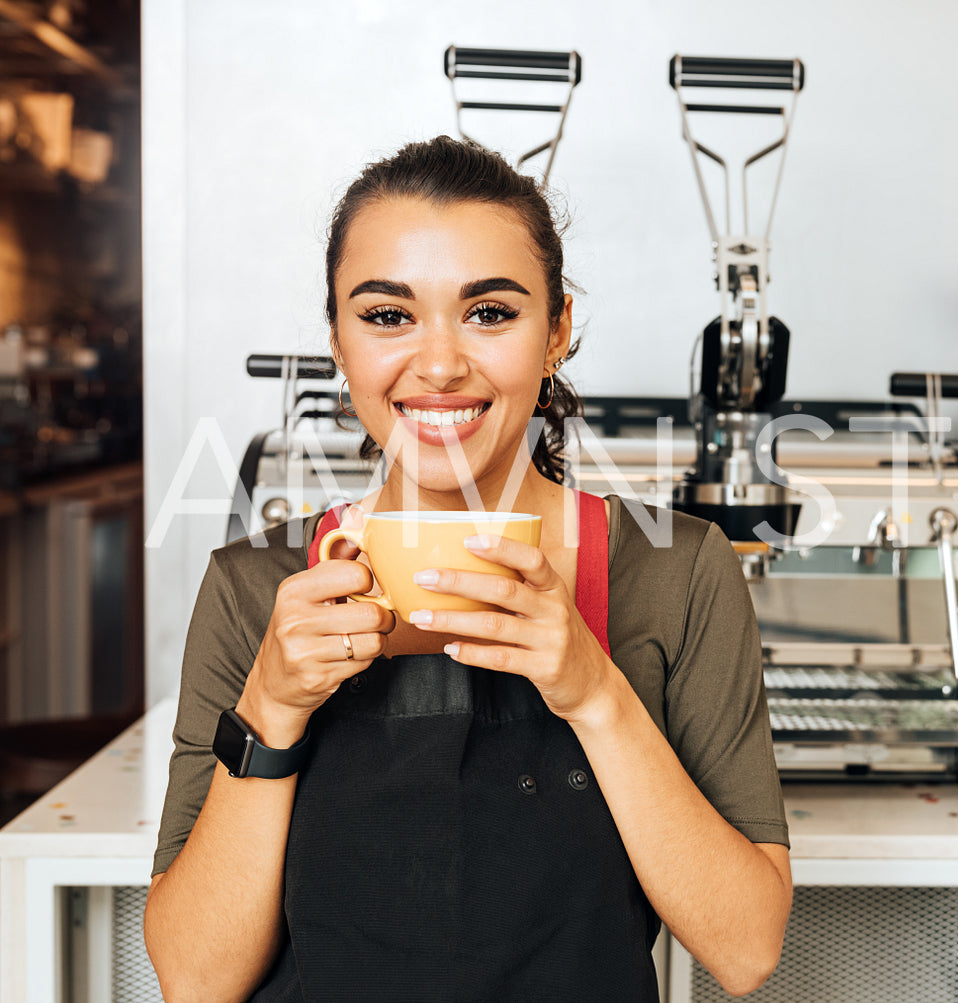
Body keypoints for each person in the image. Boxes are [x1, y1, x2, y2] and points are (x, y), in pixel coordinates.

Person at [143, 135, 792, 1001]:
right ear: (337, 338)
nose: (441, 363)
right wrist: (273, 704)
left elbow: (745, 948)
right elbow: (193, 978)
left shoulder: (676, 571)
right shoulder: (252, 585)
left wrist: (593, 692)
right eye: (386, 315)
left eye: (489, 312)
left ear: (556, 329)